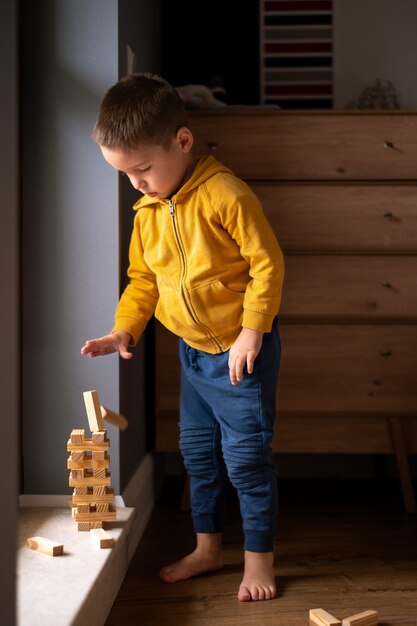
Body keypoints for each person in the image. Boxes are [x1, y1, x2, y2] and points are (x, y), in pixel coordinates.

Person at [81, 72, 285, 602]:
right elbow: (143, 280)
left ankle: (258, 559)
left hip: (240, 355)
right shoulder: (147, 212)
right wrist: (122, 329)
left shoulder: (226, 195)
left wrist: (251, 332)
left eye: (143, 169)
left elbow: (268, 266)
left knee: (245, 459)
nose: (138, 184)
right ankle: (207, 547)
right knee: (197, 453)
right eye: (125, 175)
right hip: (192, 356)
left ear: (183, 141)